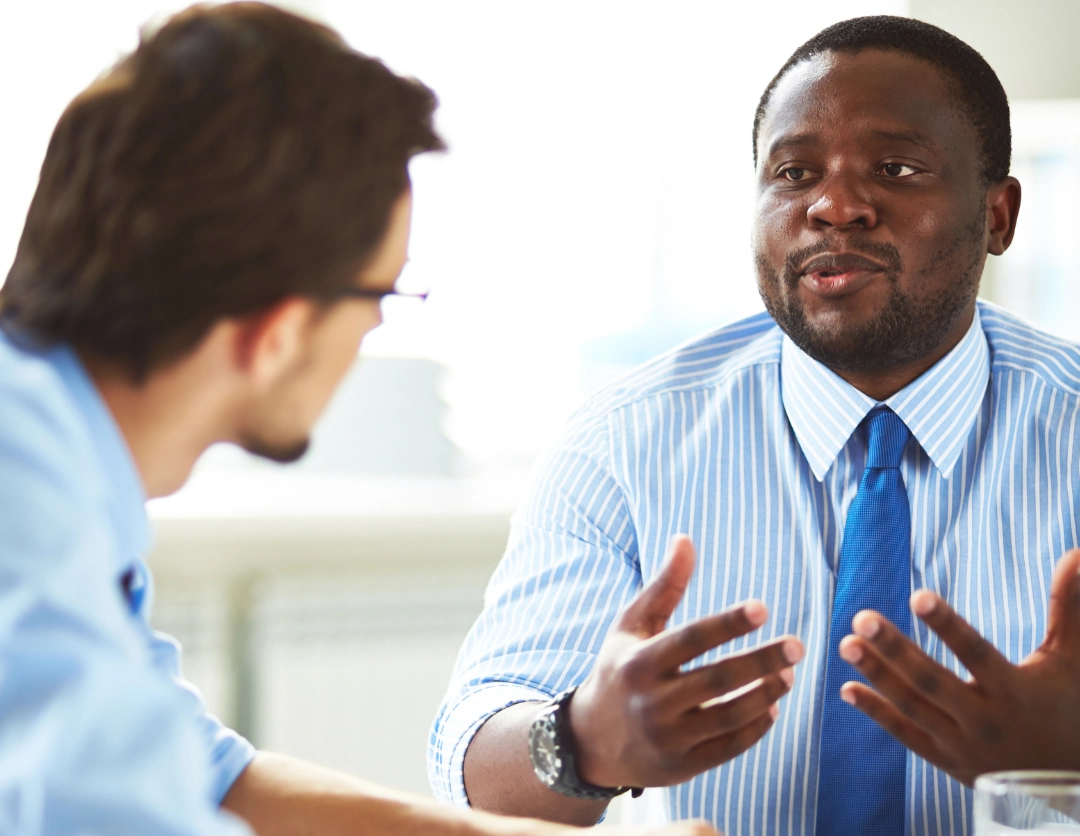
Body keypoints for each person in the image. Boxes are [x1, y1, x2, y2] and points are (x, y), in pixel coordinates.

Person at [0, 4, 719, 836]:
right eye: (381, 292)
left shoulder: (54, 458)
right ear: (277, 330)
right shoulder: (28, 509)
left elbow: (206, 779)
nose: (377, 327)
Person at [429, 14, 1080, 836]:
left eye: (895, 167)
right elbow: (473, 758)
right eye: (795, 172)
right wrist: (582, 741)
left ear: (998, 215)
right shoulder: (625, 440)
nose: (835, 205)